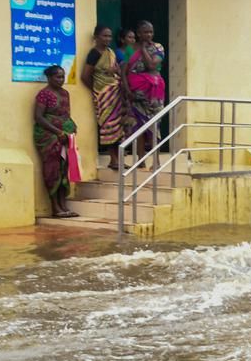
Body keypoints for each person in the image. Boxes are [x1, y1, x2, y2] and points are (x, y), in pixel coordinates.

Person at [33, 64, 79, 217]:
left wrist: (71, 128)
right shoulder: (44, 94)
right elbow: (39, 117)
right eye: (57, 76)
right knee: (53, 170)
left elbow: (66, 114)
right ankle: (55, 207)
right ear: (49, 77)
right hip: (49, 136)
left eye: (62, 76)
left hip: (65, 136)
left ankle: (63, 205)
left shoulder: (65, 93)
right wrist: (58, 132)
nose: (61, 80)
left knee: (64, 169)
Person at [81, 24, 126, 169]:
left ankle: (118, 159)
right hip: (103, 96)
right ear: (96, 37)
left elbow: (118, 72)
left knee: (118, 127)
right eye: (104, 35)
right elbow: (85, 76)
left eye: (109, 36)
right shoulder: (94, 53)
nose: (107, 39)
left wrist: (116, 71)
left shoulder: (111, 52)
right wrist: (98, 91)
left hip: (116, 94)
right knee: (108, 126)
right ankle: (112, 159)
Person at [122, 20, 166, 165]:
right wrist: (128, 90)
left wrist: (144, 49)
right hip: (136, 93)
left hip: (153, 93)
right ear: (138, 34)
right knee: (138, 125)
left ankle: (156, 160)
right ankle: (140, 160)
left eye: (151, 32)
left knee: (154, 125)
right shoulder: (130, 49)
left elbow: (151, 64)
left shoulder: (158, 47)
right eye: (145, 32)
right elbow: (124, 71)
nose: (148, 35)